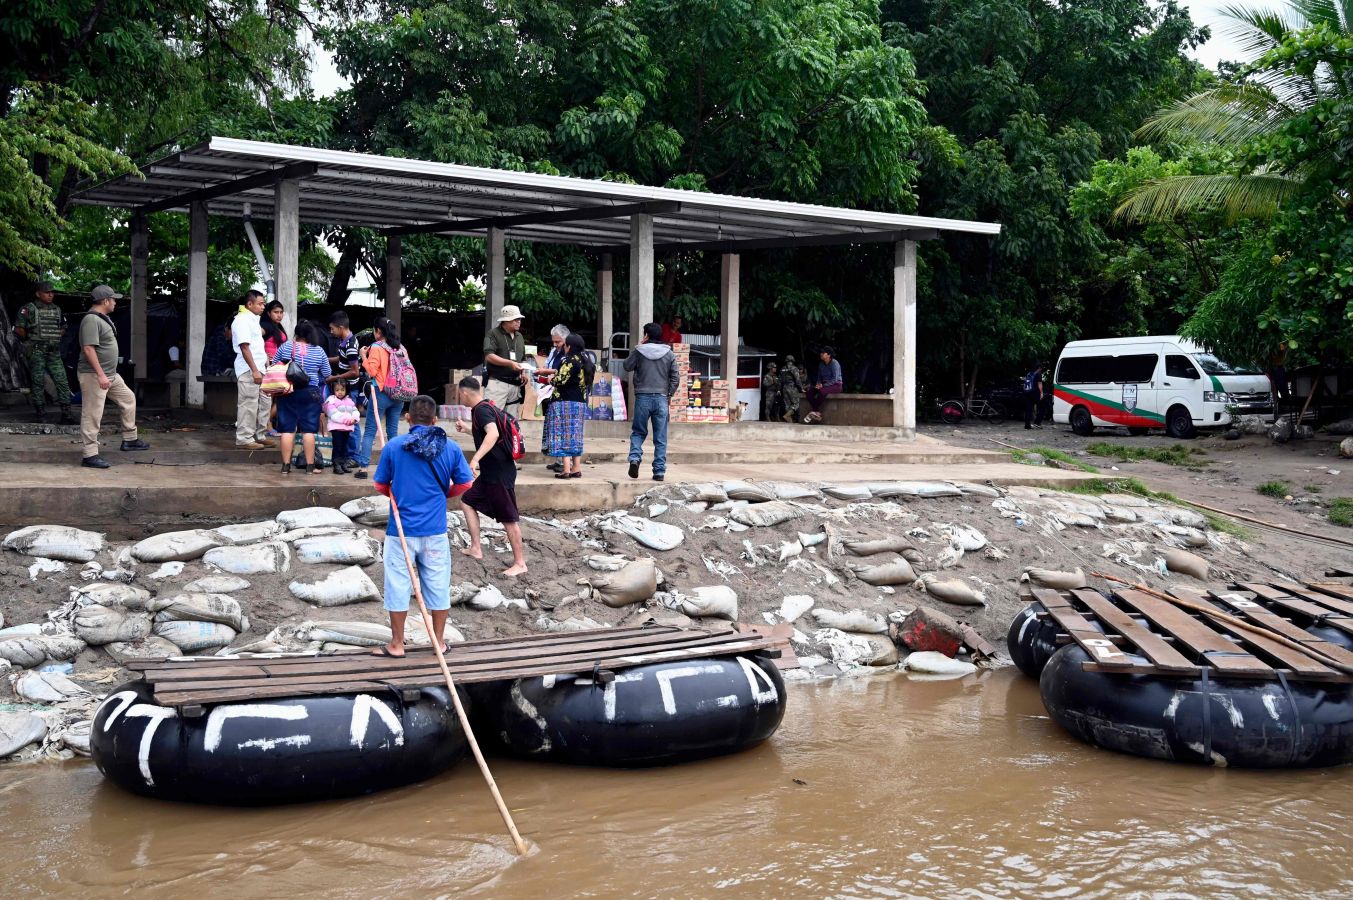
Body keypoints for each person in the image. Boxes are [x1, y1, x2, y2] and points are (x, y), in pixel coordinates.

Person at [371, 394, 474, 658]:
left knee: (397, 586)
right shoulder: (450, 448)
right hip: (435, 531)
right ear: (435, 420)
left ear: (407, 418)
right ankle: (438, 642)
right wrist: (443, 494)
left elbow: (380, 485)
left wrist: (397, 491)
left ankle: (397, 644)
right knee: (438, 586)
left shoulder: (394, 447)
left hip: (400, 532)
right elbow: (465, 483)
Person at [455, 376, 528, 577]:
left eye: (459, 394)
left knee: (509, 519)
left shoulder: (481, 410)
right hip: (490, 473)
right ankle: (476, 548)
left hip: (499, 474)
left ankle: (520, 563)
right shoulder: (485, 407)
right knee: (467, 501)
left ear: (464, 393)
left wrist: (474, 459)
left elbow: (493, 434)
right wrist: (467, 429)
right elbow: (486, 434)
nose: (460, 397)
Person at [77, 285, 149, 468]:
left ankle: (130, 439)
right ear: (105, 301)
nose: (115, 302)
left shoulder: (102, 318)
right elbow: (88, 348)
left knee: (128, 399)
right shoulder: (91, 320)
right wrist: (101, 375)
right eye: (113, 299)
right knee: (92, 413)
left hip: (109, 374)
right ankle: (89, 454)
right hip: (95, 375)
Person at [270, 319, 332, 474]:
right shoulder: (318, 350)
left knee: (287, 430)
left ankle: (285, 467)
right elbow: (327, 373)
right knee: (308, 431)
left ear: (296, 333)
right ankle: (310, 467)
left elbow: (274, 365)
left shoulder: (286, 347)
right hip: (310, 392)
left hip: (288, 391)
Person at [623, 322, 679, 482]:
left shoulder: (639, 352)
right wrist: (669, 394)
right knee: (660, 437)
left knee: (638, 432)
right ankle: (659, 471)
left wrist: (638, 347)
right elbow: (675, 377)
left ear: (646, 335)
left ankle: (635, 459)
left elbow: (626, 366)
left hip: (642, 398)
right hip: (661, 398)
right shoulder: (669, 354)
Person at [355, 317, 408, 479]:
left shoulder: (376, 347)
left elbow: (371, 371)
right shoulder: (400, 348)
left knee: (370, 430)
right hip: (398, 394)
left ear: (378, 331)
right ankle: (395, 468)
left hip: (381, 393)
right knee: (393, 432)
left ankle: (363, 468)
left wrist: (363, 356)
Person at [14, 281, 74, 424]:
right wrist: (32, 341)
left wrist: (54, 337)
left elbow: (63, 327)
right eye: (47, 292)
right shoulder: (28, 309)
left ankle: (66, 414)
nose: (50, 295)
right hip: (36, 352)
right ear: (38, 293)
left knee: (62, 381)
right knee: (38, 382)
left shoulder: (57, 309)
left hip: (53, 353)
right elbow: (19, 329)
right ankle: (40, 414)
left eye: (52, 292)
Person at [546, 333, 593, 478]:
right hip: (579, 403)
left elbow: (560, 380)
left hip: (564, 402)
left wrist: (550, 379)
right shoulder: (586, 361)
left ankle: (566, 469)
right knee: (575, 435)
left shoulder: (569, 360)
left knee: (563, 433)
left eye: (565, 344)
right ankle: (576, 468)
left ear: (569, 346)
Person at [230, 291, 273, 449]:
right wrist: (254, 370)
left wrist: (265, 365)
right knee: (248, 404)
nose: (263, 306)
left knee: (264, 403)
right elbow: (244, 347)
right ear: (249, 304)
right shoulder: (241, 320)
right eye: (260, 304)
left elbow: (256, 347)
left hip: (260, 368)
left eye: (263, 304)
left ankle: (260, 435)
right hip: (249, 369)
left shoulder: (253, 319)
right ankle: (244, 438)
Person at [326, 310, 365, 471]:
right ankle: (348, 456)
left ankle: (354, 457)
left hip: (350, 389)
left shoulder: (350, 345)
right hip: (345, 386)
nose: (331, 331)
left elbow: (355, 372)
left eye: (332, 328)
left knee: (352, 423)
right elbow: (342, 359)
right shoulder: (345, 341)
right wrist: (324, 359)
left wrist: (334, 378)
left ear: (341, 327)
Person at [482, 305, 528, 419]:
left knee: (511, 422)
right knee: (492, 418)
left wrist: (524, 372)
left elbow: (523, 358)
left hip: (515, 384)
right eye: (515, 319)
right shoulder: (493, 334)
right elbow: (489, 356)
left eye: (519, 319)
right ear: (506, 321)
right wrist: (510, 363)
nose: (519, 321)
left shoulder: (520, 336)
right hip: (497, 383)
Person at [536, 324, 570, 472]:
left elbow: (562, 370)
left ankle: (564, 463)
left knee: (562, 428)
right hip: (551, 391)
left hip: (563, 394)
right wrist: (542, 372)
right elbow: (548, 365)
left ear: (566, 339)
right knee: (553, 428)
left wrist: (546, 371)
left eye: (558, 342)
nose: (555, 344)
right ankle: (558, 459)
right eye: (554, 341)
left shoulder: (569, 352)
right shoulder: (554, 351)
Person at [322, 380, 360, 475]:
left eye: (342, 390)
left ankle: (343, 464)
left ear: (346, 390)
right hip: (336, 428)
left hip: (347, 428)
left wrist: (354, 419)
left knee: (345, 447)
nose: (340, 392)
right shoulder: (331, 400)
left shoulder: (349, 401)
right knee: (337, 447)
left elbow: (355, 411)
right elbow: (333, 414)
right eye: (337, 390)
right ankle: (336, 465)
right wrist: (347, 420)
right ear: (333, 390)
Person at [803, 347, 844, 423]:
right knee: (809, 393)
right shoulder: (821, 364)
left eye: (823, 353)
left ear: (829, 355)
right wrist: (818, 384)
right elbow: (819, 377)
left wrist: (823, 386)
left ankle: (815, 411)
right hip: (824, 385)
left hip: (836, 385)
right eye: (821, 352)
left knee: (821, 392)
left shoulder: (834, 363)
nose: (821, 354)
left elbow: (835, 379)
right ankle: (816, 412)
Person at [780, 355, 805, 423]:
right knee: (796, 403)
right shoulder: (794, 368)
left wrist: (779, 389)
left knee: (787, 404)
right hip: (792, 388)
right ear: (792, 360)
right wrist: (801, 388)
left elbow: (780, 380)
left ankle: (789, 421)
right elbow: (797, 379)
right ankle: (787, 415)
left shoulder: (782, 369)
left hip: (784, 387)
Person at [1023, 362, 1045, 430]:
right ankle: (1037, 423)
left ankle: (1027, 425)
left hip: (1027, 392)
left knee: (1028, 409)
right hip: (1035, 393)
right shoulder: (1038, 373)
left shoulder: (1029, 373)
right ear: (1039, 368)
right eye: (1041, 368)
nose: (1041, 370)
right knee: (1042, 407)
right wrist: (1041, 393)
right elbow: (1039, 384)